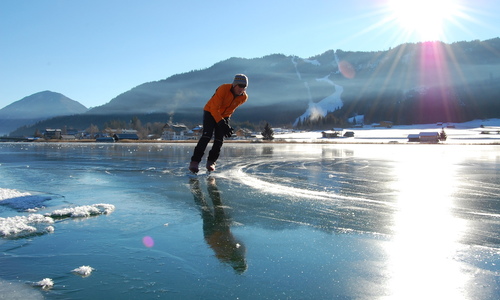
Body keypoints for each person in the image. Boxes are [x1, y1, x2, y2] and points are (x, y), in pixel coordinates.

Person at [189, 74, 249, 173]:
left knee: (219, 139)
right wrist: (220, 122)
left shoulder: (243, 97)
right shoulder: (223, 89)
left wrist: (225, 123)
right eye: (240, 86)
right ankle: (194, 162)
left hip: (224, 115)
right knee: (206, 136)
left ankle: (211, 162)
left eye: (244, 87)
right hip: (210, 111)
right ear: (234, 85)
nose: (242, 89)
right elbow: (214, 109)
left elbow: (231, 109)